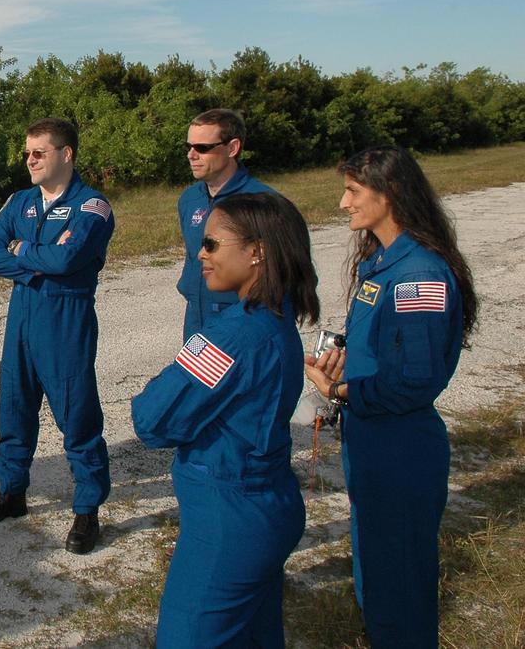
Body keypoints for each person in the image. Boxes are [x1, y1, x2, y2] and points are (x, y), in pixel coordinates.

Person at [305, 145, 478, 646]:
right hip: (371, 435)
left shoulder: (418, 275)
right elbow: (387, 353)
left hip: (399, 445)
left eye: (354, 192)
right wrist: (346, 361)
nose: (343, 204)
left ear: (392, 192)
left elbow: (415, 381)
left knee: (398, 581)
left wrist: (336, 388)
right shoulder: (382, 261)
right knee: (377, 571)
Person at [132, 192, 317, 647]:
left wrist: (171, 375)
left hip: (229, 520)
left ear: (256, 252)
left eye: (212, 244)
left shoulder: (232, 336)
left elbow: (153, 418)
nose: (201, 254)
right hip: (264, 502)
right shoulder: (273, 318)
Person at [0, 118, 115, 555]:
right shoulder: (20, 201)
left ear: (66, 154)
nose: (29, 160)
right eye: (27, 153)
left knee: (77, 415)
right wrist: (38, 259)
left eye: (39, 152)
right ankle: (12, 492)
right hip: (22, 316)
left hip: (65, 317)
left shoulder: (92, 206)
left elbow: (71, 256)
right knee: (13, 406)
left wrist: (23, 251)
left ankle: (87, 508)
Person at [177, 108, 273, 341]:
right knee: (195, 377)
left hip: (241, 321)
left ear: (232, 148)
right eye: (188, 147)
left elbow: (285, 275)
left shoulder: (262, 202)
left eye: (202, 148)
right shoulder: (189, 199)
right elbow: (193, 257)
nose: (192, 155)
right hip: (196, 318)